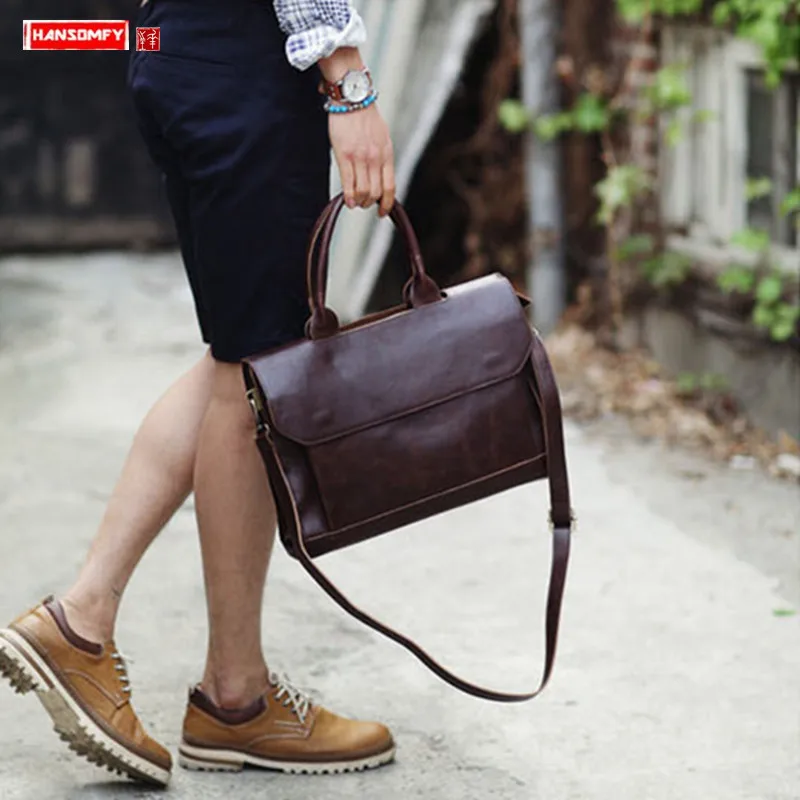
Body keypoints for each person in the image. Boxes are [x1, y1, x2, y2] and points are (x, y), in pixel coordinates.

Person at [0, 0, 397, 786]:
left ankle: (101, 630)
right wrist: (347, 79)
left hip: (177, 44)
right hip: (243, 56)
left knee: (244, 360)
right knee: (259, 369)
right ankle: (227, 694)